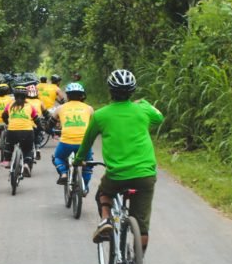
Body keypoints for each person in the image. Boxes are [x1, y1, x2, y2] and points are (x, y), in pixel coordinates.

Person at [74, 69, 164, 251]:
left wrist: (78, 160)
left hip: (117, 175)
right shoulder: (143, 110)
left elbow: (87, 142)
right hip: (145, 175)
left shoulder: (100, 115)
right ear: (133, 90)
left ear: (110, 90)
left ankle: (106, 220)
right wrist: (143, 102)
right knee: (142, 223)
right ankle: (138, 261)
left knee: (103, 194)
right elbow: (159, 117)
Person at [49, 83, 94, 191]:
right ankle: (84, 186)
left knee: (58, 158)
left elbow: (50, 124)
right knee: (88, 164)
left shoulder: (60, 108)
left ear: (67, 96)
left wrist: (51, 130)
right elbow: (94, 125)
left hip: (66, 143)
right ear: (82, 96)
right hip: (84, 144)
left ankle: (64, 174)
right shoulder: (89, 108)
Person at [1, 85, 41, 177]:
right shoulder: (30, 106)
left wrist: (8, 123)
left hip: (12, 131)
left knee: (9, 144)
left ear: (14, 96)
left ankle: (7, 161)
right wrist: (40, 128)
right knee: (28, 149)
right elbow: (36, 119)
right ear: (25, 95)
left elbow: (4, 116)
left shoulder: (10, 105)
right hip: (27, 132)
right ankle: (26, 164)